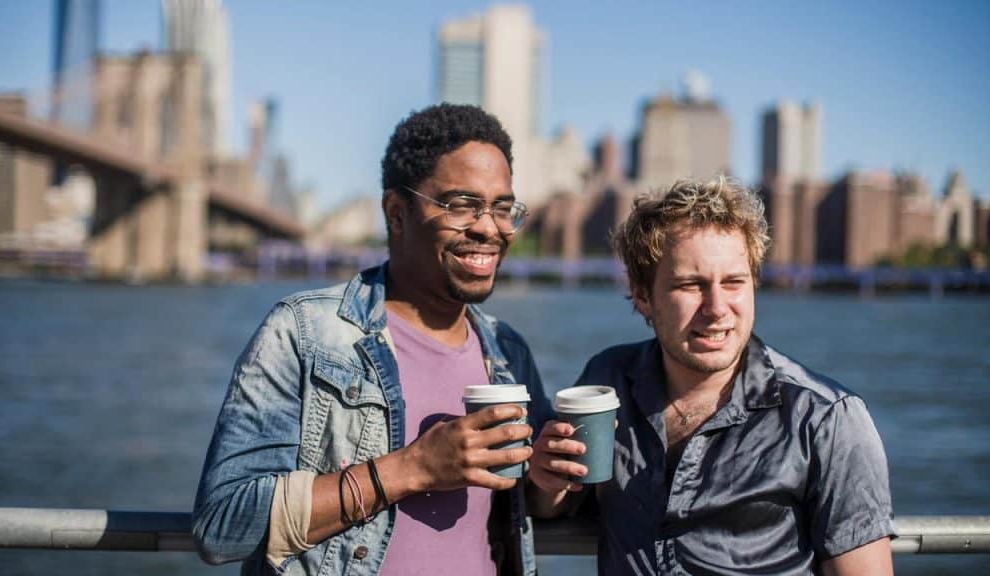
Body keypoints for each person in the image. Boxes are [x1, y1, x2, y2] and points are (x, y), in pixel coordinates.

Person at [193, 103, 552, 575]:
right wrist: (414, 468)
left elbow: (532, 508)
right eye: (463, 206)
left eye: (502, 208)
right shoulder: (303, 333)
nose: (489, 228)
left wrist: (551, 480)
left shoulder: (508, 350)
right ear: (397, 213)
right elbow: (223, 524)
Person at [528, 179, 895, 575]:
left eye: (734, 282)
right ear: (642, 295)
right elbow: (556, 504)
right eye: (691, 285)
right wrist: (547, 480)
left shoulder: (827, 419)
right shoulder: (608, 378)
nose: (718, 308)